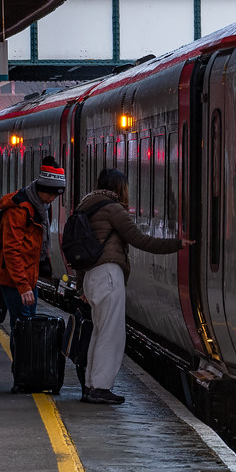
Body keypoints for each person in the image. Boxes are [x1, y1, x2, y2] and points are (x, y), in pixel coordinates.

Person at [73, 168, 193, 405]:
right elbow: (140, 239)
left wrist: (80, 287)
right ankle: (101, 387)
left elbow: (78, 252)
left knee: (99, 332)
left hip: (91, 277)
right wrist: (177, 244)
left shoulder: (85, 205)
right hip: (108, 274)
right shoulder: (113, 209)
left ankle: (90, 385)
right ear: (119, 187)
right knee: (111, 335)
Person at [0, 160, 66, 338]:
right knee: (23, 326)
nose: (54, 199)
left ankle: (27, 364)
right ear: (43, 189)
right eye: (53, 194)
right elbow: (12, 250)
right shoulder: (19, 210)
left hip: (28, 276)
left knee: (27, 323)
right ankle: (21, 365)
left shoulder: (41, 207)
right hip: (13, 278)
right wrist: (23, 286)